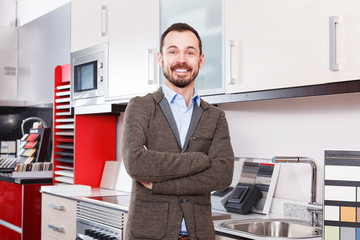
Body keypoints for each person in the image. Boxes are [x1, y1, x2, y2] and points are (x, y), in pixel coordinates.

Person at [120, 22, 234, 240]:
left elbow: (222, 174)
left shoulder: (215, 116)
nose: (181, 60)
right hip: (148, 235)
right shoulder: (140, 107)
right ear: (161, 59)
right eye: (173, 52)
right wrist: (201, 160)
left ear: (200, 60)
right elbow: (135, 162)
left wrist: (159, 184)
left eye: (190, 52)